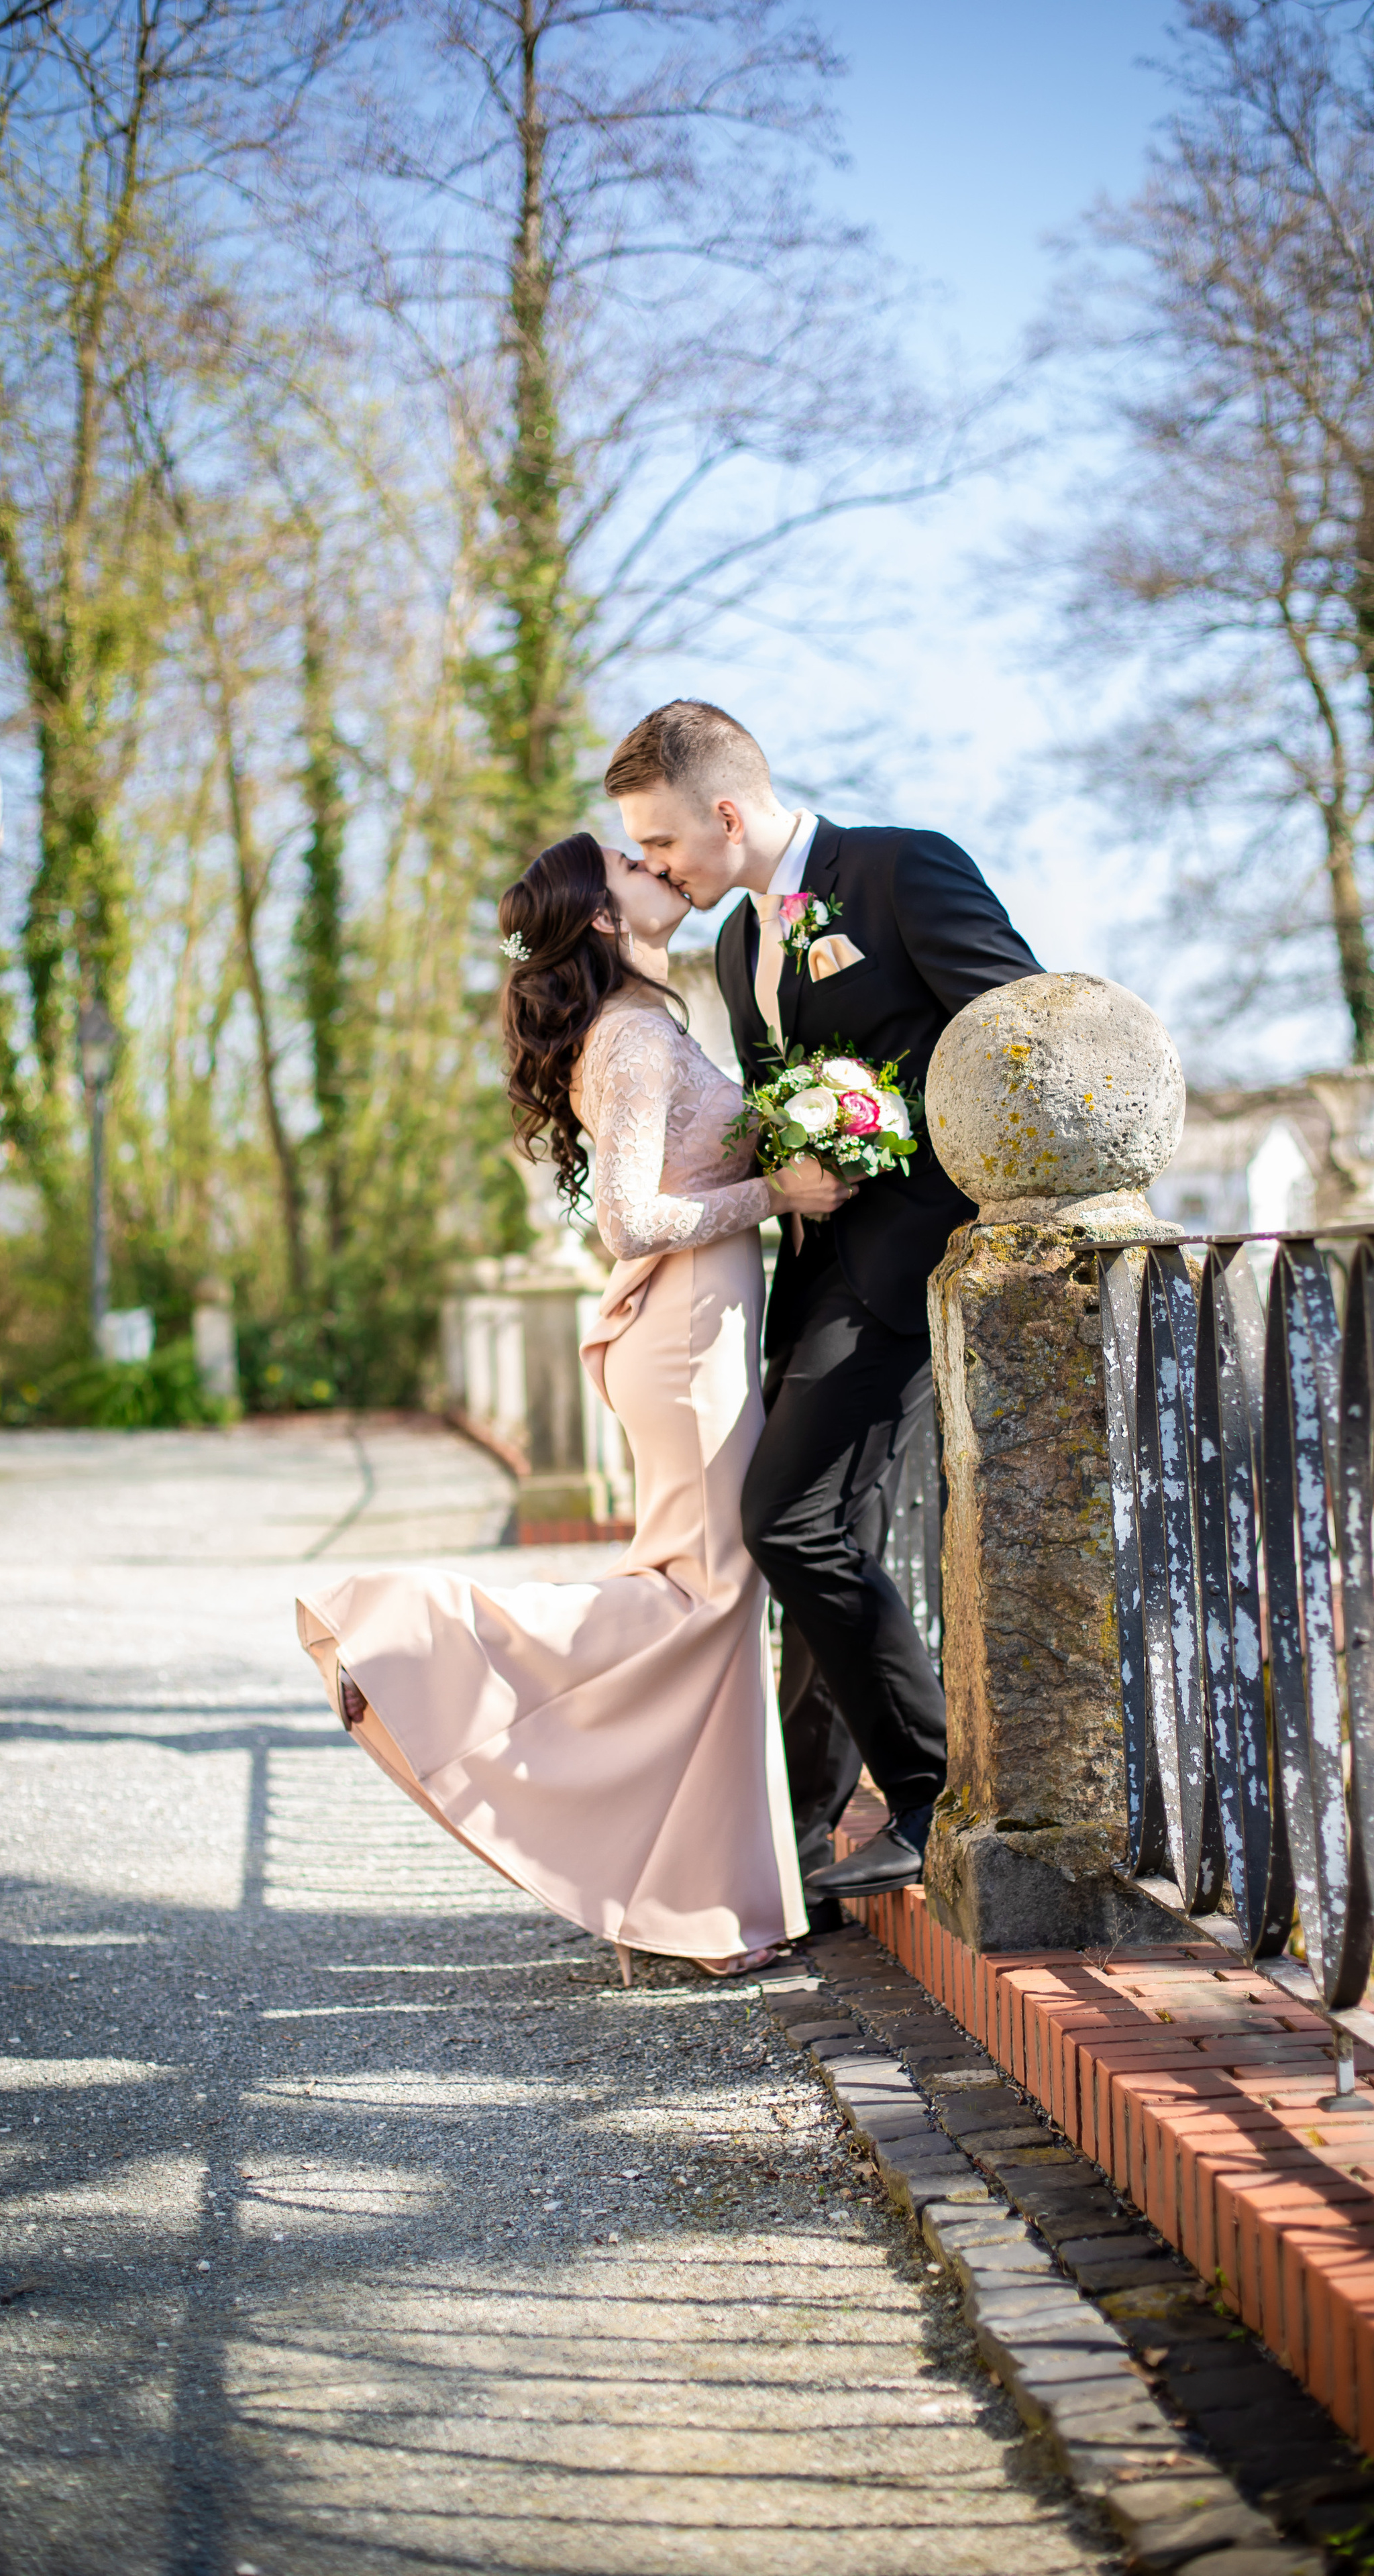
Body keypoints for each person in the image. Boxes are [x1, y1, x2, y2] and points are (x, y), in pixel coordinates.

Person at [295, 830, 849, 1978]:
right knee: (702, 1594)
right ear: (603, 914)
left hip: (693, 1326)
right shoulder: (637, 1038)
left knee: (706, 1597)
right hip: (688, 1326)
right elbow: (630, 1221)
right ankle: (410, 1638)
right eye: (637, 865)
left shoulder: (648, 1020)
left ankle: (697, 1907)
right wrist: (776, 1189)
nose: (665, 868)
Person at [605, 702, 1043, 1914]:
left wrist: (934, 1180)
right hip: (815, 1274)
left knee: (786, 1520)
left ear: (728, 814)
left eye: (662, 845)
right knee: (812, 1536)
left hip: (917, 1264)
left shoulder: (903, 869)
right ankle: (798, 1840)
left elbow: (1019, 1035)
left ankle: (925, 1792)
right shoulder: (739, 947)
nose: (655, 870)